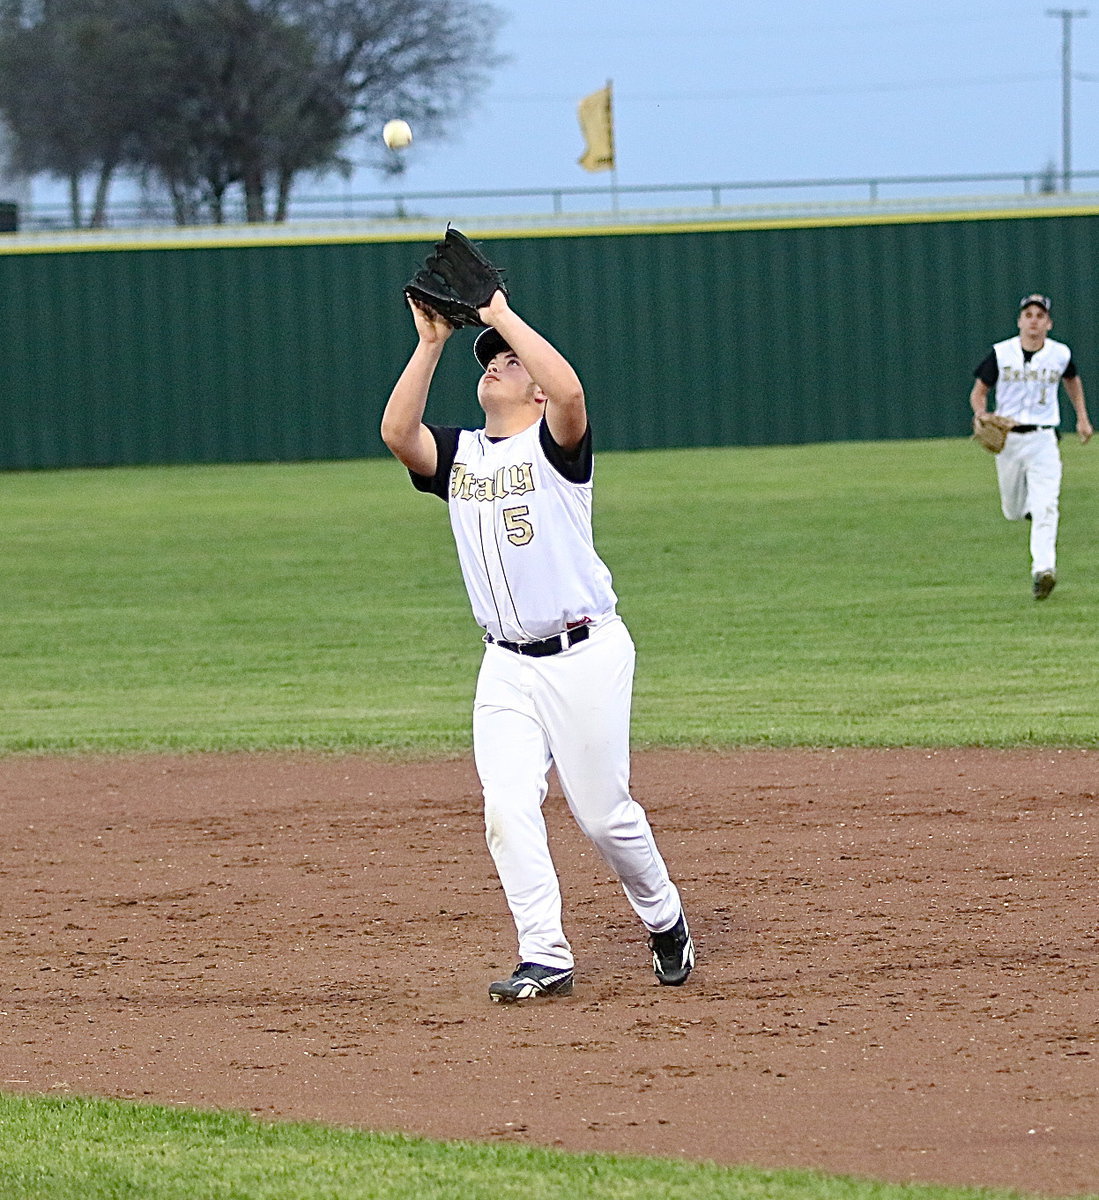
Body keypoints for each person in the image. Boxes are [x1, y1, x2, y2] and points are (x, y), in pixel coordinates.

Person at [380, 285, 694, 1003]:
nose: (493, 364)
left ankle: (663, 916)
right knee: (506, 805)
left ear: (537, 394)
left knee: (603, 818)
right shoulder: (459, 455)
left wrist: (499, 316)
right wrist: (431, 343)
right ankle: (543, 954)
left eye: (510, 363)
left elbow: (573, 392)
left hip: (584, 654)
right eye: (489, 360)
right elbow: (399, 435)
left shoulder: (555, 446)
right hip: (505, 665)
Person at [969, 293, 1092, 599]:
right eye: (1028, 315)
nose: (1034, 320)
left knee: (1047, 506)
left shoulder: (1060, 354)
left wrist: (1082, 418)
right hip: (1008, 439)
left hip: (1043, 438)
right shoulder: (1001, 353)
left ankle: (1044, 570)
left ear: (1048, 323)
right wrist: (981, 414)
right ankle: (1026, 510)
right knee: (1012, 510)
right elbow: (979, 391)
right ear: (1020, 322)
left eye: (1040, 315)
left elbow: (1072, 381)